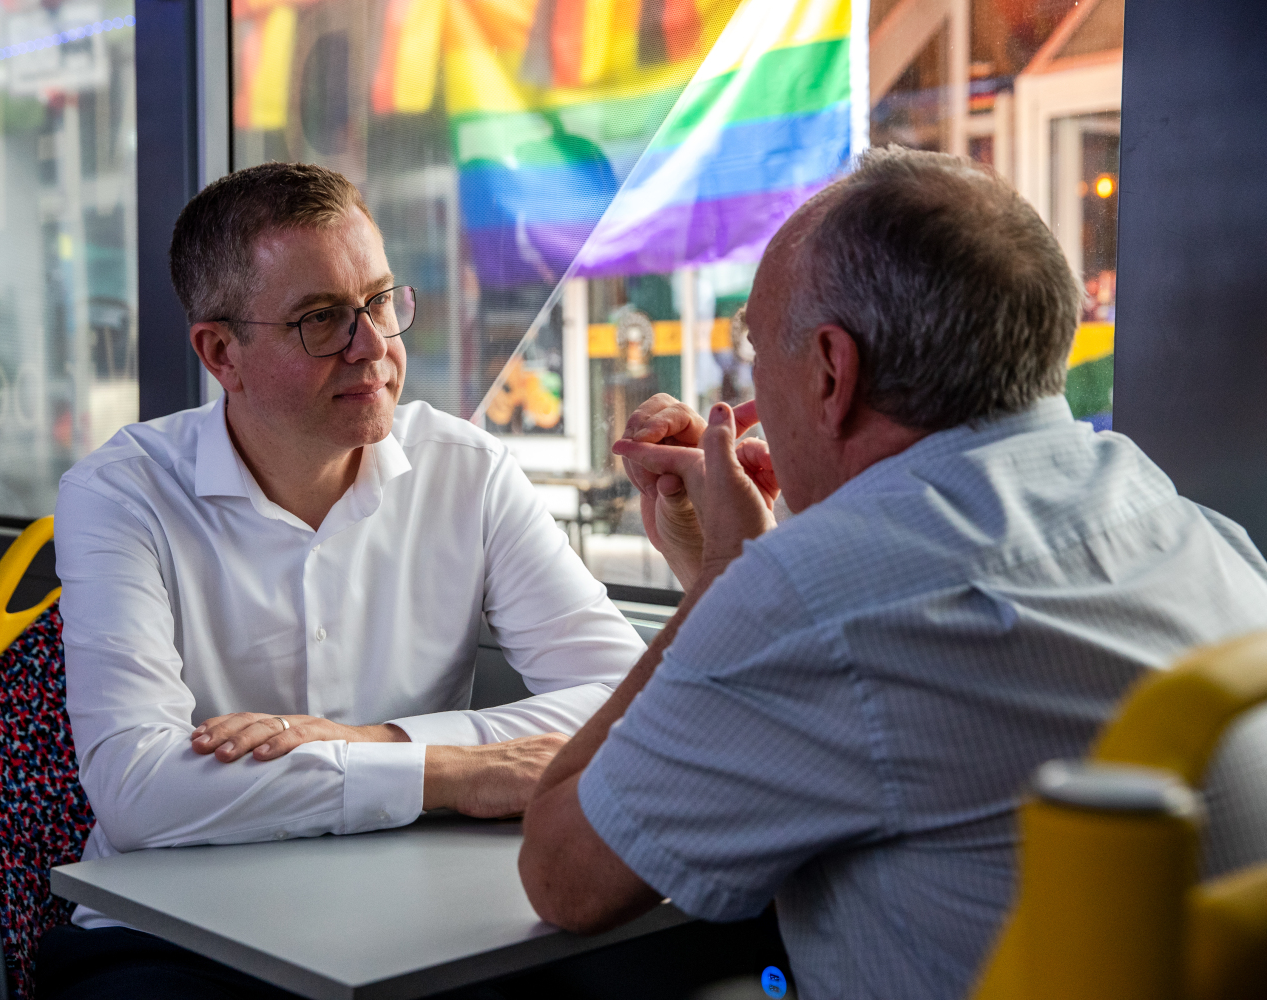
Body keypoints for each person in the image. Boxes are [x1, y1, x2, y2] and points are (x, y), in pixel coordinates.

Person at [517, 147, 1267, 1000]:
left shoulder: (814, 600)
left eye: (759, 347)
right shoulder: (1173, 515)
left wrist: (732, 572)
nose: (751, 386)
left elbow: (562, 872)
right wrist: (734, 582)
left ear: (834, 371)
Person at [44, 162, 645, 997]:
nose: (374, 349)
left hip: (415, 908)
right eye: (321, 320)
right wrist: (444, 773)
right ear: (223, 353)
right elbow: (138, 792)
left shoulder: (465, 472)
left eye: (380, 303)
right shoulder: (121, 494)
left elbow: (622, 695)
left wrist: (376, 743)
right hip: (174, 932)